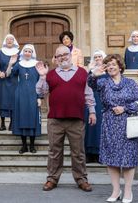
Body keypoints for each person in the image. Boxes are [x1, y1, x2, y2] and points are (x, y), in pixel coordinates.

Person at [36, 45, 96, 192]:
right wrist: (42, 77)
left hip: (76, 119)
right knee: (54, 151)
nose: (63, 57)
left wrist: (92, 111)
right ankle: (52, 179)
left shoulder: (82, 73)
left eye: (65, 54)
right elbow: (41, 92)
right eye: (59, 55)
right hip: (55, 119)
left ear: (70, 55)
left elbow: (88, 94)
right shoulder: (50, 74)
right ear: (56, 59)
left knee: (78, 152)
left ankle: (81, 179)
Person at [88, 54, 138, 203]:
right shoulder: (103, 83)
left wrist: (125, 108)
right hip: (110, 124)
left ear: (120, 66)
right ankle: (115, 190)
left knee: (128, 159)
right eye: (108, 65)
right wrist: (94, 74)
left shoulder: (131, 83)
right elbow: (91, 85)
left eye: (114, 64)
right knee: (111, 159)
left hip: (128, 124)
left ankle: (128, 191)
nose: (111, 67)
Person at [6, 44, 42, 154]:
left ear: (32, 53)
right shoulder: (18, 64)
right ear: (23, 52)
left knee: (32, 119)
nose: (27, 53)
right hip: (20, 95)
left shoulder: (37, 65)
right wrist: (10, 64)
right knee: (21, 118)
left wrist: (39, 97)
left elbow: (41, 81)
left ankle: (32, 145)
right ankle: (24, 146)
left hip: (33, 95)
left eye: (29, 51)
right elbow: (8, 75)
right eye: (25, 51)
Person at [0, 34, 19, 131]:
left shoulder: (17, 53)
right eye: (8, 39)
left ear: (14, 41)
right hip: (2, 80)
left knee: (12, 101)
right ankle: (2, 123)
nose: (10, 41)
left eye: (11, 39)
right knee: (2, 100)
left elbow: (18, 66)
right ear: (5, 41)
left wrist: (9, 71)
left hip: (13, 80)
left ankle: (12, 123)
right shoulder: (1, 52)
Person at [85, 49, 107, 163]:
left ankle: (99, 153)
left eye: (100, 57)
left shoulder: (108, 71)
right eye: (96, 57)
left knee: (100, 127)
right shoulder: (90, 72)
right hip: (91, 100)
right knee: (90, 126)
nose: (98, 59)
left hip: (103, 101)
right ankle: (89, 153)